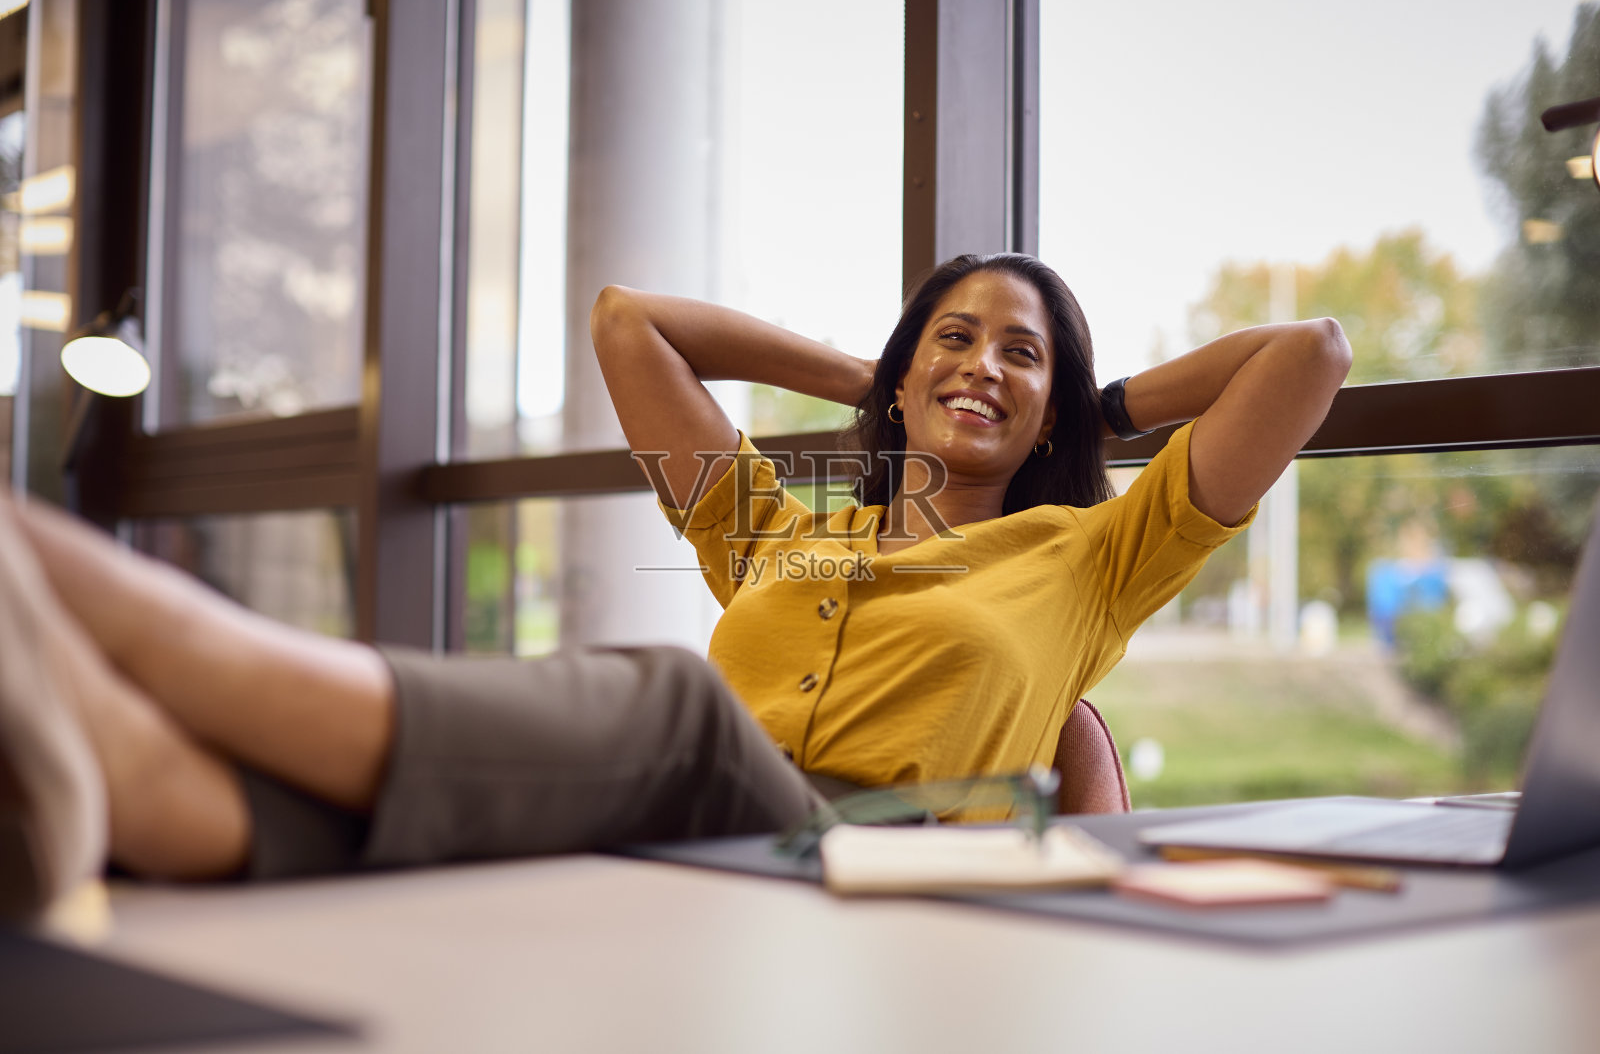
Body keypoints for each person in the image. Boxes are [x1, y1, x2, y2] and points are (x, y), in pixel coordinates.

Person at [0, 253, 1350, 921]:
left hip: (869, 867)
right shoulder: (775, 533)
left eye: (1021, 353)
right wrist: (882, 373)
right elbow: (627, 324)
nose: (982, 365)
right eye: (954, 337)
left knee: (683, 716)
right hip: (697, 843)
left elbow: (1311, 353)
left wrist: (1094, 403)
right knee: (246, 809)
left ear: (1054, 402)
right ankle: (113, 766)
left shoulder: (1093, 557)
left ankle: (103, 606)